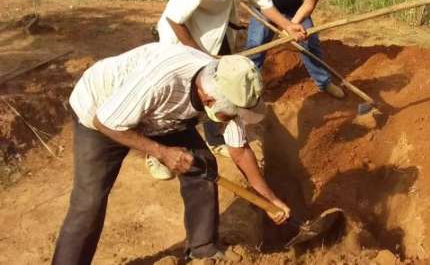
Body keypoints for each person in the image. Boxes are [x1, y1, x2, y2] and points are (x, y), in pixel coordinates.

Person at [52, 42, 290, 264]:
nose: (233, 117)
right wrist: (161, 152)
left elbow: (239, 152)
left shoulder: (227, 87)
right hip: (101, 113)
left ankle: (203, 248)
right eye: (231, 113)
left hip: (158, 116)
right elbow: (105, 121)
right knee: (89, 202)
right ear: (208, 98)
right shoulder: (162, 80)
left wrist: (270, 199)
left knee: (201, 165)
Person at [148, 0, 309, 180]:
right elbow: (175, 19)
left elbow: (264, 2)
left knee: (220, 90)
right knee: (178, 96)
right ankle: (155, 152)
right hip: (183, 37)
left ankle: (215, 140)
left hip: (218, 32)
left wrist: (287, 25)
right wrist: (200, 58)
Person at [245, 0, 344, 99]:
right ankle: (248, 89)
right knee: (256, 44)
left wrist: (291, 25)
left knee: (310, 41)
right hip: (266, 8)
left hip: (294, 10)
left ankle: (324, 82)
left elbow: (310, 2)